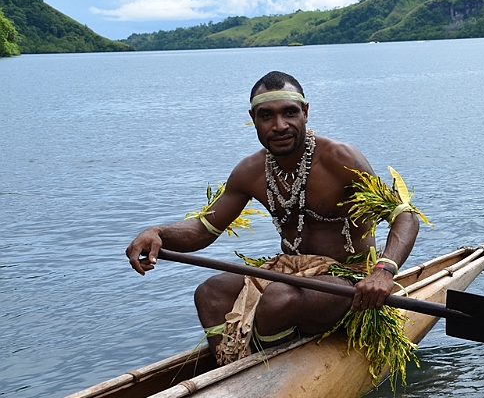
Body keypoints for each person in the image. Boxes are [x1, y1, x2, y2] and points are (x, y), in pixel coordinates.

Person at [126, 71, 419, 364]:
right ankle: (232, 370)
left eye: (289, 113)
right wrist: (158, 233)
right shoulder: (250, 171)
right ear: (253, 118)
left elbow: (404, 215)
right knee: (209, 294)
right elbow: (203, 230)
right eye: (267, 116)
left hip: (346, 279)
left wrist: (383, 271)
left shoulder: (340, 159)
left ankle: (269, 369)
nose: (280, 126)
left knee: (278, 300)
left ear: (305, 112)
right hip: (287, 271)